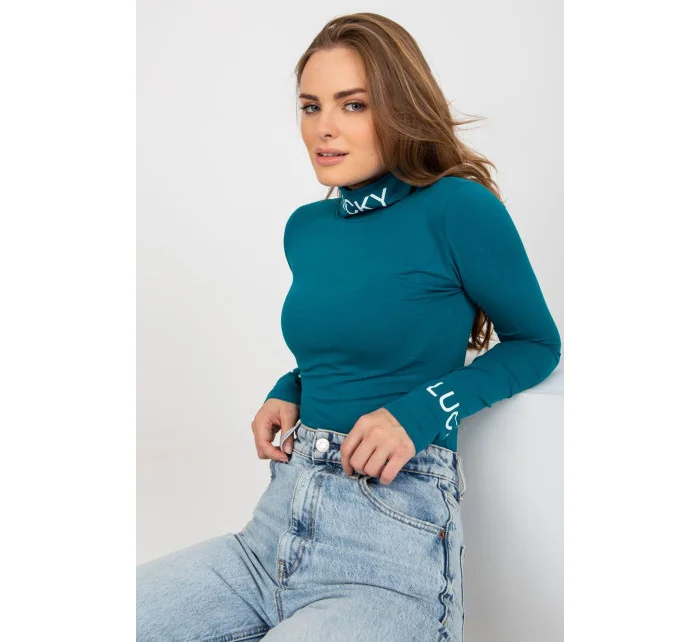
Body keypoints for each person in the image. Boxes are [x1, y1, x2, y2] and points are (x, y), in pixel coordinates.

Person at [136, 11, 561, 642]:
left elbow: (536, 345)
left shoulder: (458, 208)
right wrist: (291, 386)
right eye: (311, 106)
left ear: (400, 109)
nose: (324, 128)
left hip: (389, 546)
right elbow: (345, 344)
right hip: (272, 533)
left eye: (353, 105)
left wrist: (420, 412)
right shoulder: (307, 228)